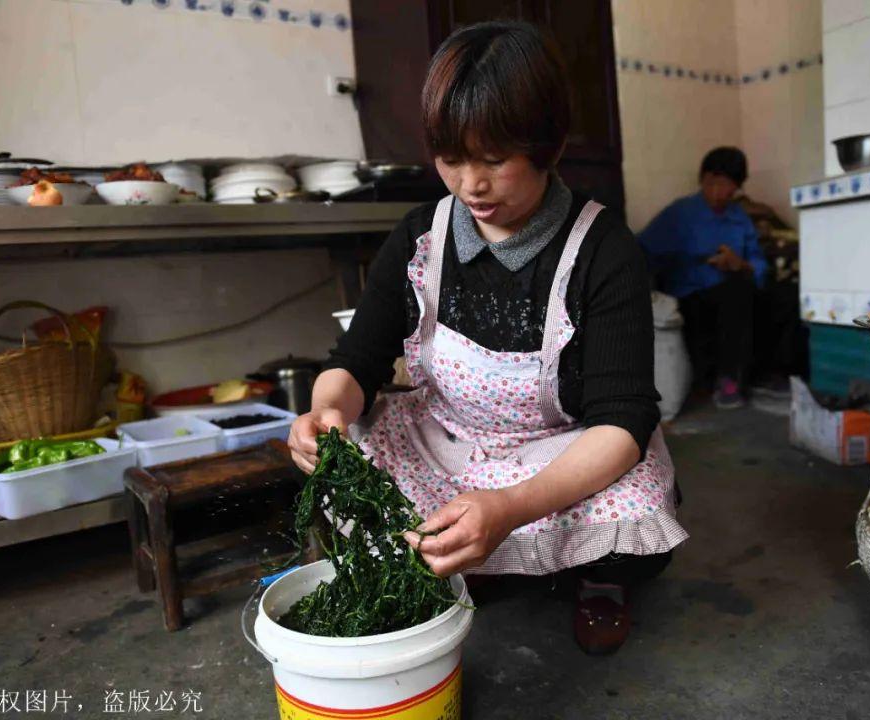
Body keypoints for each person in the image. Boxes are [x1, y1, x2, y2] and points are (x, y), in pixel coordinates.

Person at [287, 21, 686, 655]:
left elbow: (622, 419)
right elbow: (356, 361)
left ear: (549, 146)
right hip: (448, 440)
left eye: (494, 160)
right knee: (360, 456)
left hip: (560, 453)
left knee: (637, 507)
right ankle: (484, 562)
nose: (470, 184)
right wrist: (326, 410)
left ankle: (597, 583)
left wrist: (511, 507)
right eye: (451, 159)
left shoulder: (604, 249)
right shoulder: (421, 236)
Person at [638, 147, 768, 409]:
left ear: (736, 188)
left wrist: (739, 264)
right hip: (689, 296)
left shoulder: (739, 218)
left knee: (767, 294)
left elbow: (758, 262)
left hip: (731, 289)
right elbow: (641, 249)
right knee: (735, 294)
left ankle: (743, 378)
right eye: (713, 183)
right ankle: (728, 379)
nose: (718, 192)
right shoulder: (680, 214)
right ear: (703, 180)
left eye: (727, 186)